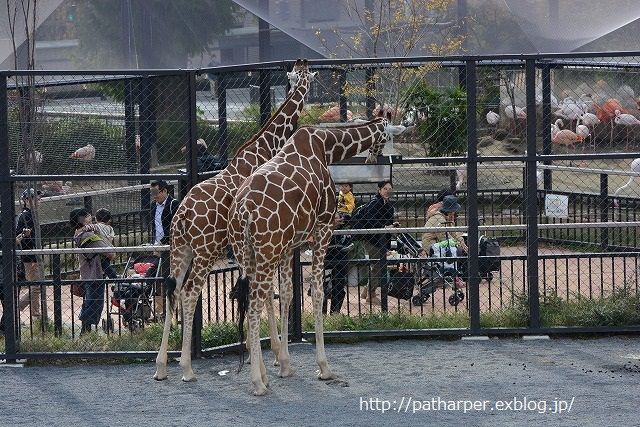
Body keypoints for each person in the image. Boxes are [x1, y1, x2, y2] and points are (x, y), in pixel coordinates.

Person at [350, 180, 399, 304]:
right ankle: (370, 295)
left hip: (379, 240)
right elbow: (371, 222)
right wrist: (385, 227)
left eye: (389, 189)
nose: (388, 191)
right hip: (370, 239)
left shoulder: (387, 205)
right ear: (379, 190)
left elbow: (385, 224)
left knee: (378, 264)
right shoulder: (375, 203)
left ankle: (367, 290)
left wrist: (391, 226)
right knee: (379, 265)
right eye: (385, 189)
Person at [70, 208, 115, 334]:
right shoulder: (89, 236)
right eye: (89, 216)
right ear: (83, 220)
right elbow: (110, 252)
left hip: (86, 272)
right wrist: (99, 234)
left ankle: (86, 331)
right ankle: (85, 329)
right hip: (96, 272)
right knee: (95, 303)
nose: (92, 219)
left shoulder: (77, 234)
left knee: (89, 301)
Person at [15, 188, 43, 320]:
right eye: (35, 198)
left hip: (32, 255)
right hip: (30, 256)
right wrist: (33, 259)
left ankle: (34, 313)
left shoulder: (31, 214)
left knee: (37, 286)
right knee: (36, 286)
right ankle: (21, 309)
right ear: (26, 200)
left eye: (39, 198)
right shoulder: (26, 215)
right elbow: (20, 237)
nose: (39, 201)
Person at [323, 214, 353, 314]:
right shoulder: (324, 229)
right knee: (324, 287)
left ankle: (335, 312)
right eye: (333, 218)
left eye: (337, 218)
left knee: (339, 287)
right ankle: (322, 314)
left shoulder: (344, 230)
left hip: (341, 260)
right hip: (326, 259)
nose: (336, 220)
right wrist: (330, 226)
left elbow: (349, 243)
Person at [79, 208, 118, 280]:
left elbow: (91, 227)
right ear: (109, 220)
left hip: (100, 249)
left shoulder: (97, 226)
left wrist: (83, 228)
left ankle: (113, 277)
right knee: (106, 265)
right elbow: (111, 238)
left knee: (103, 266)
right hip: (108, 248)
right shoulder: (110, 228)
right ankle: (112, 277)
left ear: (96, 219)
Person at [150, 180, 179, 245]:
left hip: (170, 244)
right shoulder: (153, 204)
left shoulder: (173, 204)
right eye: (152, 193)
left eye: (156, 193)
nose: (154, 196)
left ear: (165, 191)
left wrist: (162, 242)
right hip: (156, 244)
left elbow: (175, 228)